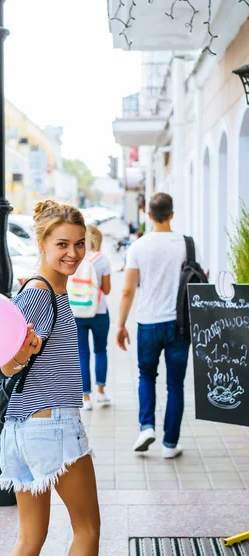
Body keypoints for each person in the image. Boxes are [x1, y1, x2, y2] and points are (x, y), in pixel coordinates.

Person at [0, 200, 100, 556]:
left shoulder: (50, 290)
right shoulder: (39, 294)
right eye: (62, 244)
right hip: (51, 424)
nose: (73, 253)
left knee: (29, 539)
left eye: (79, 243)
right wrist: (24, 352)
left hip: (23, 428)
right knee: (87, 530)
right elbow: (6, 364)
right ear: (42, 244)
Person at [116, 192, 195, 459]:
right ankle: (170, 444)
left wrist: (120, 325)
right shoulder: (187, 245)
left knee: (146, 376)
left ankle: (146, 427)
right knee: (175, 384)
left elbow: (127, 291)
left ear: (148, 215)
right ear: (172, 214)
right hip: (180, 324)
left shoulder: (138, 246)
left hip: (148, 323)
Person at [74, 225, 111, 411]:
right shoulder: (102, 261)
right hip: (99, 312)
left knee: (82, 354)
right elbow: (107, 289)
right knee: (100, 351)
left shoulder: (77, 258)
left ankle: (86, 397)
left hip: (77, 312)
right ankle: (101, 391)